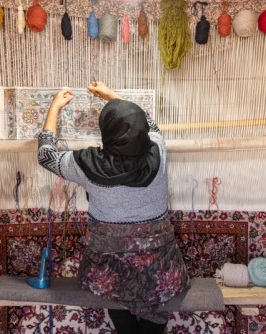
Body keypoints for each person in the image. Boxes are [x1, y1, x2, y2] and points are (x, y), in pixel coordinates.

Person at [37, 82, 189, 334]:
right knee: (157, 302)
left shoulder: (86, 165)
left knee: (114, 294)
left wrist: (54, 107)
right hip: (159, 271)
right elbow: (150, 125)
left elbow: (46, 156)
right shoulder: (157, 151)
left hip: (109, 270)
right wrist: (112, 96)